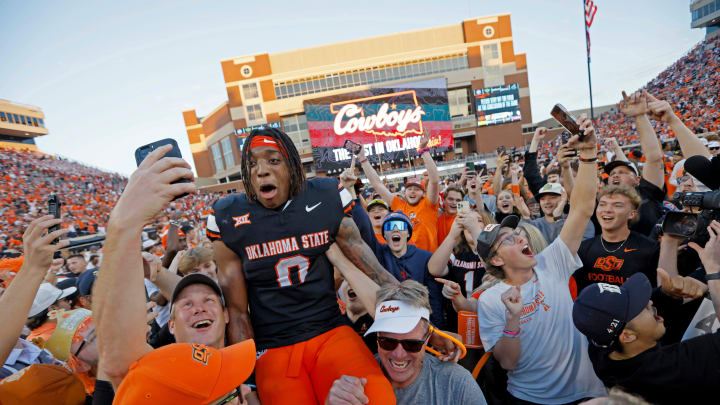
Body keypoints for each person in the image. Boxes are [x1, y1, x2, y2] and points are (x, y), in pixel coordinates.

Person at [205, 128, 397, 404]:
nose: (261, 171)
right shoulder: (228, 216)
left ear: (293, 166)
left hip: (330, 331)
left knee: (377, 399)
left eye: (273, 160)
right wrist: (246, 379)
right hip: (273, 346)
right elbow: (237, 311)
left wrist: (424, 325)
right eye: (251, 164)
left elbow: (374, 271)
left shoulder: (326, 195)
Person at [93, 144, 259, 405]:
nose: (199, 309)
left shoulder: (243, 355)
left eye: (209, 301)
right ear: (170, 326)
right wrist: (124, 223)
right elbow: (116, 360)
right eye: (187, 305)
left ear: (226, 315)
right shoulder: (161, 374)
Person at [474, 115, 607, 404]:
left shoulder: (552, 262)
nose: (521, 238)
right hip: (532, 399)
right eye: (508, 240)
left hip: (587, 393)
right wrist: (513, 318)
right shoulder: (491, 299)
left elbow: (583, 208)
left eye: (518, 233)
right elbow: (507, 363)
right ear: (495, 260)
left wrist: (587, 155)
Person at [572, 221, 720, 405]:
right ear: (627, 336)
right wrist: (714, 271)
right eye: (641, 306)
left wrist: (667, 293)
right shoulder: (668, 371)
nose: (650, 302)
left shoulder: (602, 348)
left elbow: (641, 309)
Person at [326, 278, 486, 405]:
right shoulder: (356, 386)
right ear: (377, 337)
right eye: (387, 342)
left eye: (412, 344)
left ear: (427, 339)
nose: (399, 354)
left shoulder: (456, 383)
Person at [357, 134, 441, 252]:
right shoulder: (399, 205)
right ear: (405, 192)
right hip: (405, 263)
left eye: (417, 189)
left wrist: (424, 151)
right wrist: (362, 159)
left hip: (430, 262)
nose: (412, 191)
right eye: (409, 189)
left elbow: (435, 180)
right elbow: (377, 184)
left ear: (423, 194)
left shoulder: (429, 205)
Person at [573, 185, 660, 295]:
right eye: (602, 204)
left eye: (617, 205)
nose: (607, 210)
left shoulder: (650, 249)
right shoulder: (583, 249)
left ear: (632, 214)